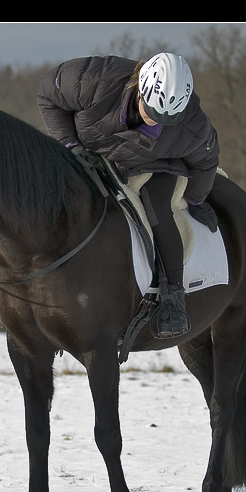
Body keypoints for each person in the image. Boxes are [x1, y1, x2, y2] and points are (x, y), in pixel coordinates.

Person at [37, 53, 219, 338]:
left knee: (158, 208)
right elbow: (49, 94)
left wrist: (196, 199)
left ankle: (173, 298)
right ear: (139, 88)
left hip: (158, 165)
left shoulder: (192, 124)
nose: (155, 121)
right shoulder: (94, 79)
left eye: (166, 119)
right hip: (91, 152)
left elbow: (207, 160)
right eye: (152, 111)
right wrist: (69, 146)